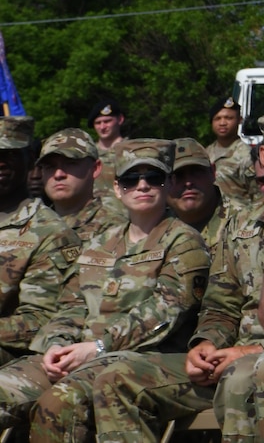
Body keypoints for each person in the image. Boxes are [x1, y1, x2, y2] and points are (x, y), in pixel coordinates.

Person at [84, 110, 264, 442]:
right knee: (117, 379)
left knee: (248, 376)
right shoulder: (242, 225)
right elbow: (220, 306)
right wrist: (206, 345)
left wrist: (254, 350)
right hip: (233, 358)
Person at [0, 141, 210, 435]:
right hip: (79, 354)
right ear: (116, 187)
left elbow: (165, 312)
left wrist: (99, 347)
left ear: (170, 183)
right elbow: (72, 305)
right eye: (130, 179)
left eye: (154, 178)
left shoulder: (183, 241)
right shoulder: (101, 242)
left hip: (143, 358)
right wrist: (56, 346)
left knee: (60, 403)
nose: (142, 186)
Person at [0, 117, 81, 370]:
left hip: (15, 357)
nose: (0, 161)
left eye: (10, 153)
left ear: (31, 158)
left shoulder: (50, 232)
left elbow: (40, 320)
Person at [37, 129, 123, 239]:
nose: (58, 174)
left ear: (95, 168)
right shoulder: (31, 226)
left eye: (71, 163)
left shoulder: (115, 228)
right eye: (50, 167)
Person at [169, 137, 229, 243]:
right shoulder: (150, 228)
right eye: (177, 176)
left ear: (212, 172)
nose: (188, 182)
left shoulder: (243, 222)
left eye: (196, 172)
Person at [207, 96, 259, 210]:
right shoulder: (205, 153)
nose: (222, 123)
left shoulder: (247, 155)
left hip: (239, 221)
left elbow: (258, 196)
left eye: (228, 118)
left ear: (239, 120)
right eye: (217, 118)